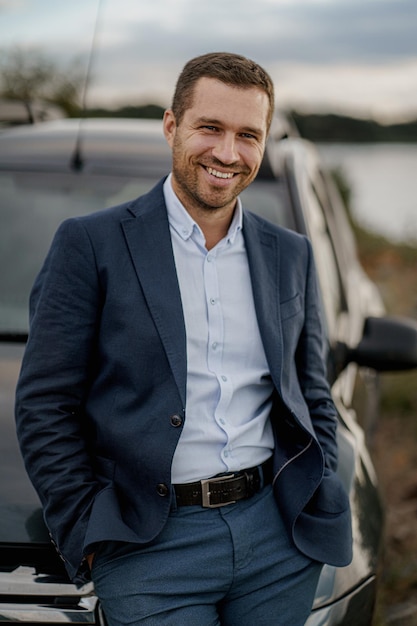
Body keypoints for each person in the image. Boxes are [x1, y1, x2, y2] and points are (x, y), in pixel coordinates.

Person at [15, 52, 352, 625]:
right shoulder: (90, 244)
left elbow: (311, 389)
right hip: (151, 548)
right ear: (172, 126)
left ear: (265, 141)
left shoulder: (289, 254)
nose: (227, 153)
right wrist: (92, 531)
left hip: (278, 536)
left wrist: (318, 484)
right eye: (211, 128)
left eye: (248, 135)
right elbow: (44, 403)